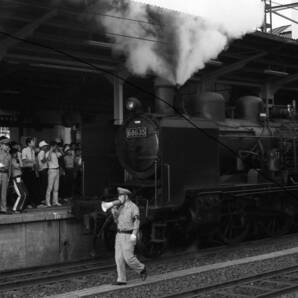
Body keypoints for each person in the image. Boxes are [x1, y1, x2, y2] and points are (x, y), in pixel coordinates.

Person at [110, 187, 147, 285]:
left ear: (126, 196)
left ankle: (142, 268)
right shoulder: (120, 207)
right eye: (119, 196)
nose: (119, 198)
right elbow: (116, 221)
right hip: (119, 235)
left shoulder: (133, 207)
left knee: (128, 258)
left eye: (121, 196)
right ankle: (121, 279)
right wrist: (114, 213)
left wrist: (134, 233)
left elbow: (137, 221)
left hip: (128, 235)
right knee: (118, 258)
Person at [21, 137, 38, 207]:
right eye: (32, 142)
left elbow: (34, 162)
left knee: (33, 187)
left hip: (32, 170)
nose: (34, 143)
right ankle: (26, 203)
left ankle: (32, 202)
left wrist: (36, 170)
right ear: (29, 143)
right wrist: (32, 161)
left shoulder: (33, 151)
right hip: (27, 170)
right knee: (27, 186)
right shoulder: (25, 150)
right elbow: (23, 160)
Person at [45, 141, 62, 207]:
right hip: (51, 170)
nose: (56, 147)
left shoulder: (56, 153)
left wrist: (57, 150)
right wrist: (51, 150)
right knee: (50, 187)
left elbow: (61, 155)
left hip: (57, 170)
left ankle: (55, 202)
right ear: (52, 146)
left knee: (56, 187)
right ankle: (48, 202)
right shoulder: (47, 153)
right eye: (55, 146)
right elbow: (48, 159)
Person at [0, 137, 11, 214]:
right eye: (5, 145)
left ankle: (3, 208)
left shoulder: (9, 155)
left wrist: (9, 177)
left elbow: (10, 167)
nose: (7, 146)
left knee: (4, 192)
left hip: (5, 174)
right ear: (1, 145)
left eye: (7, 145)